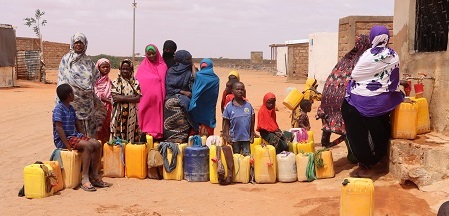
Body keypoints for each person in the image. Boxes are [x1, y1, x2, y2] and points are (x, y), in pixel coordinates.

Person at [342, 25, 404, 178]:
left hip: (357, 101)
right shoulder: (393, 55)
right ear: (387, 38)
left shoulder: (367, 55)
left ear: (372, 38)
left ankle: (365, 164)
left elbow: (355, 75)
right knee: (380, 126)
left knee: (357, 133)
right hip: (381, 102)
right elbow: (393, 82)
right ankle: (376, 158)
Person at [316, 34, 371, 163]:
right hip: (341, 99)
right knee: (348, 127)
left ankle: (325, 144)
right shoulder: (362, 60)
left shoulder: (346, 59)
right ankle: (352, 155)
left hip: (328, 97)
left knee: (329, 122)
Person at [53, 83, 110, 192]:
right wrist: (68, 145)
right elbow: (59, 128)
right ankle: (85, 178)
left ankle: (94, 175)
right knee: (88, 146)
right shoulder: (58, 109)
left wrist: (82, 136)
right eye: (73, 93)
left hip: (74, 136)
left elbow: (77, 123)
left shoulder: (70, 108)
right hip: (64, 139)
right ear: (70, 95)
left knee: (97, 144)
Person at [57, 33, 106, 140]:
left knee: (89, 136)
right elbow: (61, 80)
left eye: (81, 42)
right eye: (76, 42)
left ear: (85, 44)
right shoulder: (66, 60)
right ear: (72, 44)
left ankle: (90, 154)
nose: (78, 45)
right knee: (72, 132)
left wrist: (85, 88)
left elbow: (95, 77)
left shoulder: (88, 62)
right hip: (71, 102)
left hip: (87, 104)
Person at [135, 44, 167, 140]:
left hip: (158, 100)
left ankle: (156, 135)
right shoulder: (142, 67)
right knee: (143, 115)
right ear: (146, 55)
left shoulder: (163, 66)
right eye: (149, 54)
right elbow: (137, 84)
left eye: (153, 53)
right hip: (144, 99)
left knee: (156, 118)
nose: (152, 56)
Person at [163, 50, 194, 143]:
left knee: (187, 106)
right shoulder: (172, 71)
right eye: (188, 59)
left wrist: (192, 67)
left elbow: (196, 81)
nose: (190, 60)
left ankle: (183, 137)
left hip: (188, 98)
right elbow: (169, 88)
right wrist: (183, 92)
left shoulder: (191, 71)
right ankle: (170, 137)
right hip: (172, 96)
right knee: (172, 103)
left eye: (190, 58)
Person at [111, 59, 141, 142]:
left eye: (127, 69)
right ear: (120, 69)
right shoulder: (115, 82)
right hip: (118, 114)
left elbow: (138, 99)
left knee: (131, 135)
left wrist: (122, 97)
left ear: (131, 70)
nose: (125, 71)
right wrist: (131, 97)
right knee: (118, 135)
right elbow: (115, 98)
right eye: (123, 69)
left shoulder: (135, 82)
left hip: (131, 115)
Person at [189, 58, 220, 136]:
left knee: (195, 131)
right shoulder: (216, 79)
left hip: (197, 107)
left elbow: (196, 76)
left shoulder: (199, 76)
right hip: (209, 109)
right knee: (208, 134)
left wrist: (192, 66)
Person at [222, 81, 255, 156]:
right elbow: (226, 122)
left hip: (246, 137)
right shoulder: (229, 107)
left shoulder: (248, 105)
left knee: (247, 157)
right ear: (232, 91)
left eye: (242, 89)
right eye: (237, 89)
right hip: (234, 138)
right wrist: (227, 135)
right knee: (236, 156)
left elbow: (252, 119)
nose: (240, 91)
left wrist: (252, 134)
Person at [94, 58, 113, 144]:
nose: (105, 69)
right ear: (98, 68)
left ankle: (105, 149)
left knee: (106, 129)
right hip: (96, 109)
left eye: (107, 67)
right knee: (97, 130)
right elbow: (95, 94)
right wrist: (108, 100)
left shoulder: (109, 82)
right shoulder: (94, 81)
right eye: (103, 67)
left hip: (108, 109)